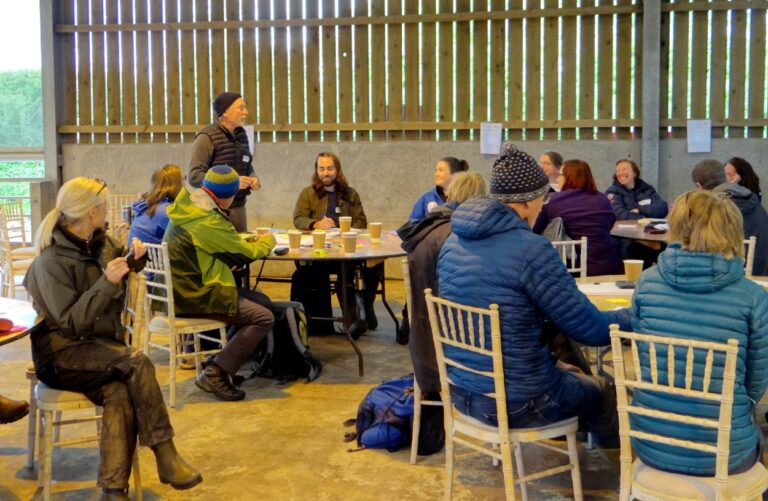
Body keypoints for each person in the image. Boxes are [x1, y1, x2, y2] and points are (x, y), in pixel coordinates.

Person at [437, 144, 630, 447]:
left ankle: (572, 438)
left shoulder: (454, 241)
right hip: (519, 403)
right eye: (543, 197)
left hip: (462, 392)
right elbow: (590, 329)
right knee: (604, 391)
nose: (545, 203)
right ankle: (617, 477)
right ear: (527, 201)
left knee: (569, 371)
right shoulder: (531, 249)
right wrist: (634, 316)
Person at [23, 178, 201, 500]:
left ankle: (113, 490)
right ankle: (165, 452)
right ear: (93, 211)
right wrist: (107, 282)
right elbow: (72, 323)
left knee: (119, 390)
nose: (108, 213)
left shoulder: (100, 244)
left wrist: (137, 258)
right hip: (61, 356)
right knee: (137, 362)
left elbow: (119, 267)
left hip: (100, 351)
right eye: (104, 207)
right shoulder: (49, 263)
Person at [629, 189, 768, 476]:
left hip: (651, 443)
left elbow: (643, 358)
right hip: (724, 451)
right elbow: (756, 384)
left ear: (676, 226)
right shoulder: (753, 297)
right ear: (732, 230)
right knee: (757, 447)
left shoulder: (645, 283)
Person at [164, 165, 276, 402]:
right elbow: (243, 253)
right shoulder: (208, 219)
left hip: (185, 287)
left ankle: (219, 361)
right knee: (264, 317)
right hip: (196, 293)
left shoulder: (193, 205)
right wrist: (269, 241)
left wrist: (238, 244)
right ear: (230, 196)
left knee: (264, 301)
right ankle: (216, 373)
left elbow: (216, 243)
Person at [397, 172, 487, 455]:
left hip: (423, 337)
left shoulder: (425, 228)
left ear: (449, 196)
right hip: (455, 343)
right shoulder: (459, 235)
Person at [292, 152, 381, 334]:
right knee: (315, 273)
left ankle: (361, 311)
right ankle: (333, 322)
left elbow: (360, 222)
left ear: (338, 170)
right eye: (321, 168)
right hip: (321, 252)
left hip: (346, 251)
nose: (326, 173)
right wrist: (316, 224)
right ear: (316, 171)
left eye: (330, 168)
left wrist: (345, 232)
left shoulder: (350, 194)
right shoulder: (308, 193)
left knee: (372, 266)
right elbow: (298, 218)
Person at [533, 159, 622, 276]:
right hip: (610, 264)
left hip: (573, 267)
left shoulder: (553, 200)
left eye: (560, 175)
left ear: (569, 177)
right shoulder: (602, 199)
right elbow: (609, 223)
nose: (558, 179)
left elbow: (535, 229)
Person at [188, 92, 260, 232]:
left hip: (239, 208)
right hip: (214, 211)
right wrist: (231, 183)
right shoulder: (206, 137)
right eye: (240, 108)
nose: (246, 112)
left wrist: (253, 177)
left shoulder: (242, 135)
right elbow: (194, 176)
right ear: (225, 112)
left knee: (240, 251)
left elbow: (247, 164)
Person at [692, 159, 768, 276]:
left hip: (730, 277)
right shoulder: (752, 200)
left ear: (698, 186)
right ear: (724, 177)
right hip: (760, 274)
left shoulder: (712, 208)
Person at [127, 164, 184, 245]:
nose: (184, 185)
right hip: (148, 256)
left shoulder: (146, 205)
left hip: (131, 255)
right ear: (177, 184)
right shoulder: (168, 211)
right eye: (183, 180)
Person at [408, 157, 469, 221]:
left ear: (454, 174)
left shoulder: (467, 198)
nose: (436, 174)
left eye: (441, 170)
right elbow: (412, 223)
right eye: (436, 170)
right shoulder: (426, 198)